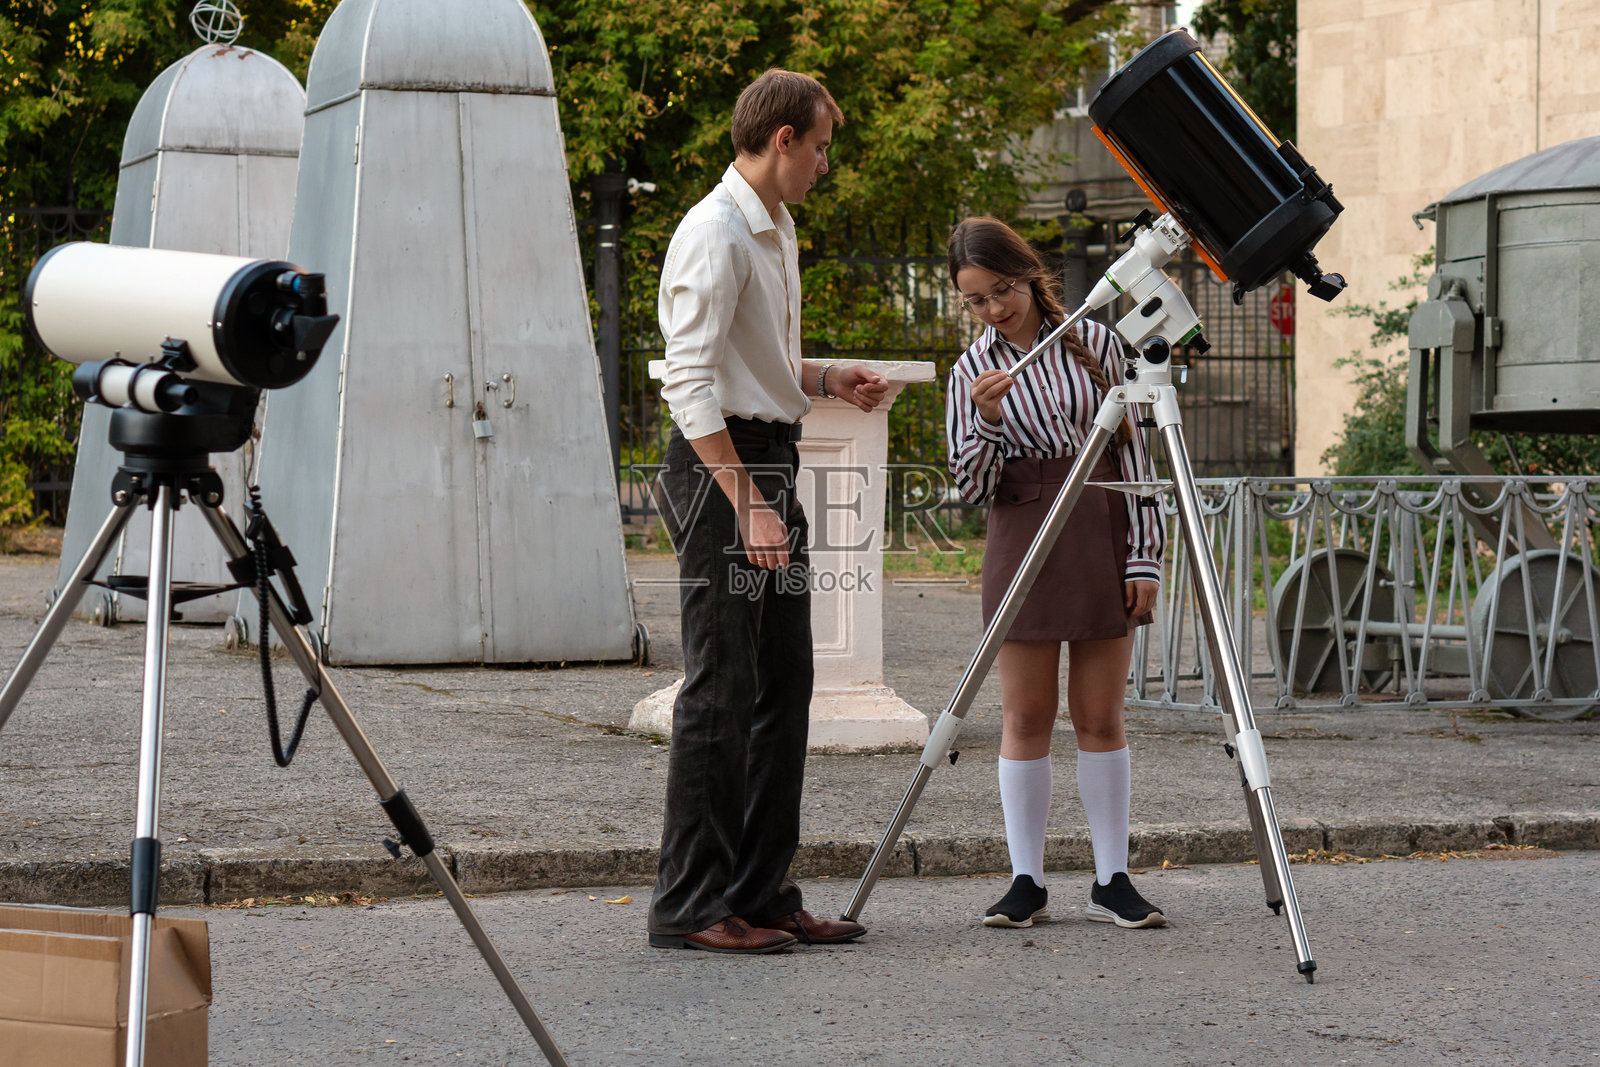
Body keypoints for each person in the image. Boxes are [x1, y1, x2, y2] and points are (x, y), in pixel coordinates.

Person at [647, 69, 889, 954]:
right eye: (821, 147)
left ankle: (760, 891)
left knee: (785, 682)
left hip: (768, 457)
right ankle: (689, 906)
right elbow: (689, 383)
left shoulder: (775, 228)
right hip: (723, 473)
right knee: (721, 687)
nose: (826, 163)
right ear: (782, 139)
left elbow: (760, 366)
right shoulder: (712, 232)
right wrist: (749, 504)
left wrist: (825, 379)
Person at [944, 216, 1168, 931]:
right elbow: (969, 488)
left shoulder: (1101, 341)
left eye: (1001, 290)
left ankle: (1112, 877)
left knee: (1101, 715)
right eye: (975, 300)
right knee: (1026, 715)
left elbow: (1137, 461)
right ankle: (1026, 880)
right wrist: (985, 419)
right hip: (1020, 531)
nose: (993, 310)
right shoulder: (970, 371)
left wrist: (1146, 559)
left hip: (1101, 523)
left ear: (1026, 273)